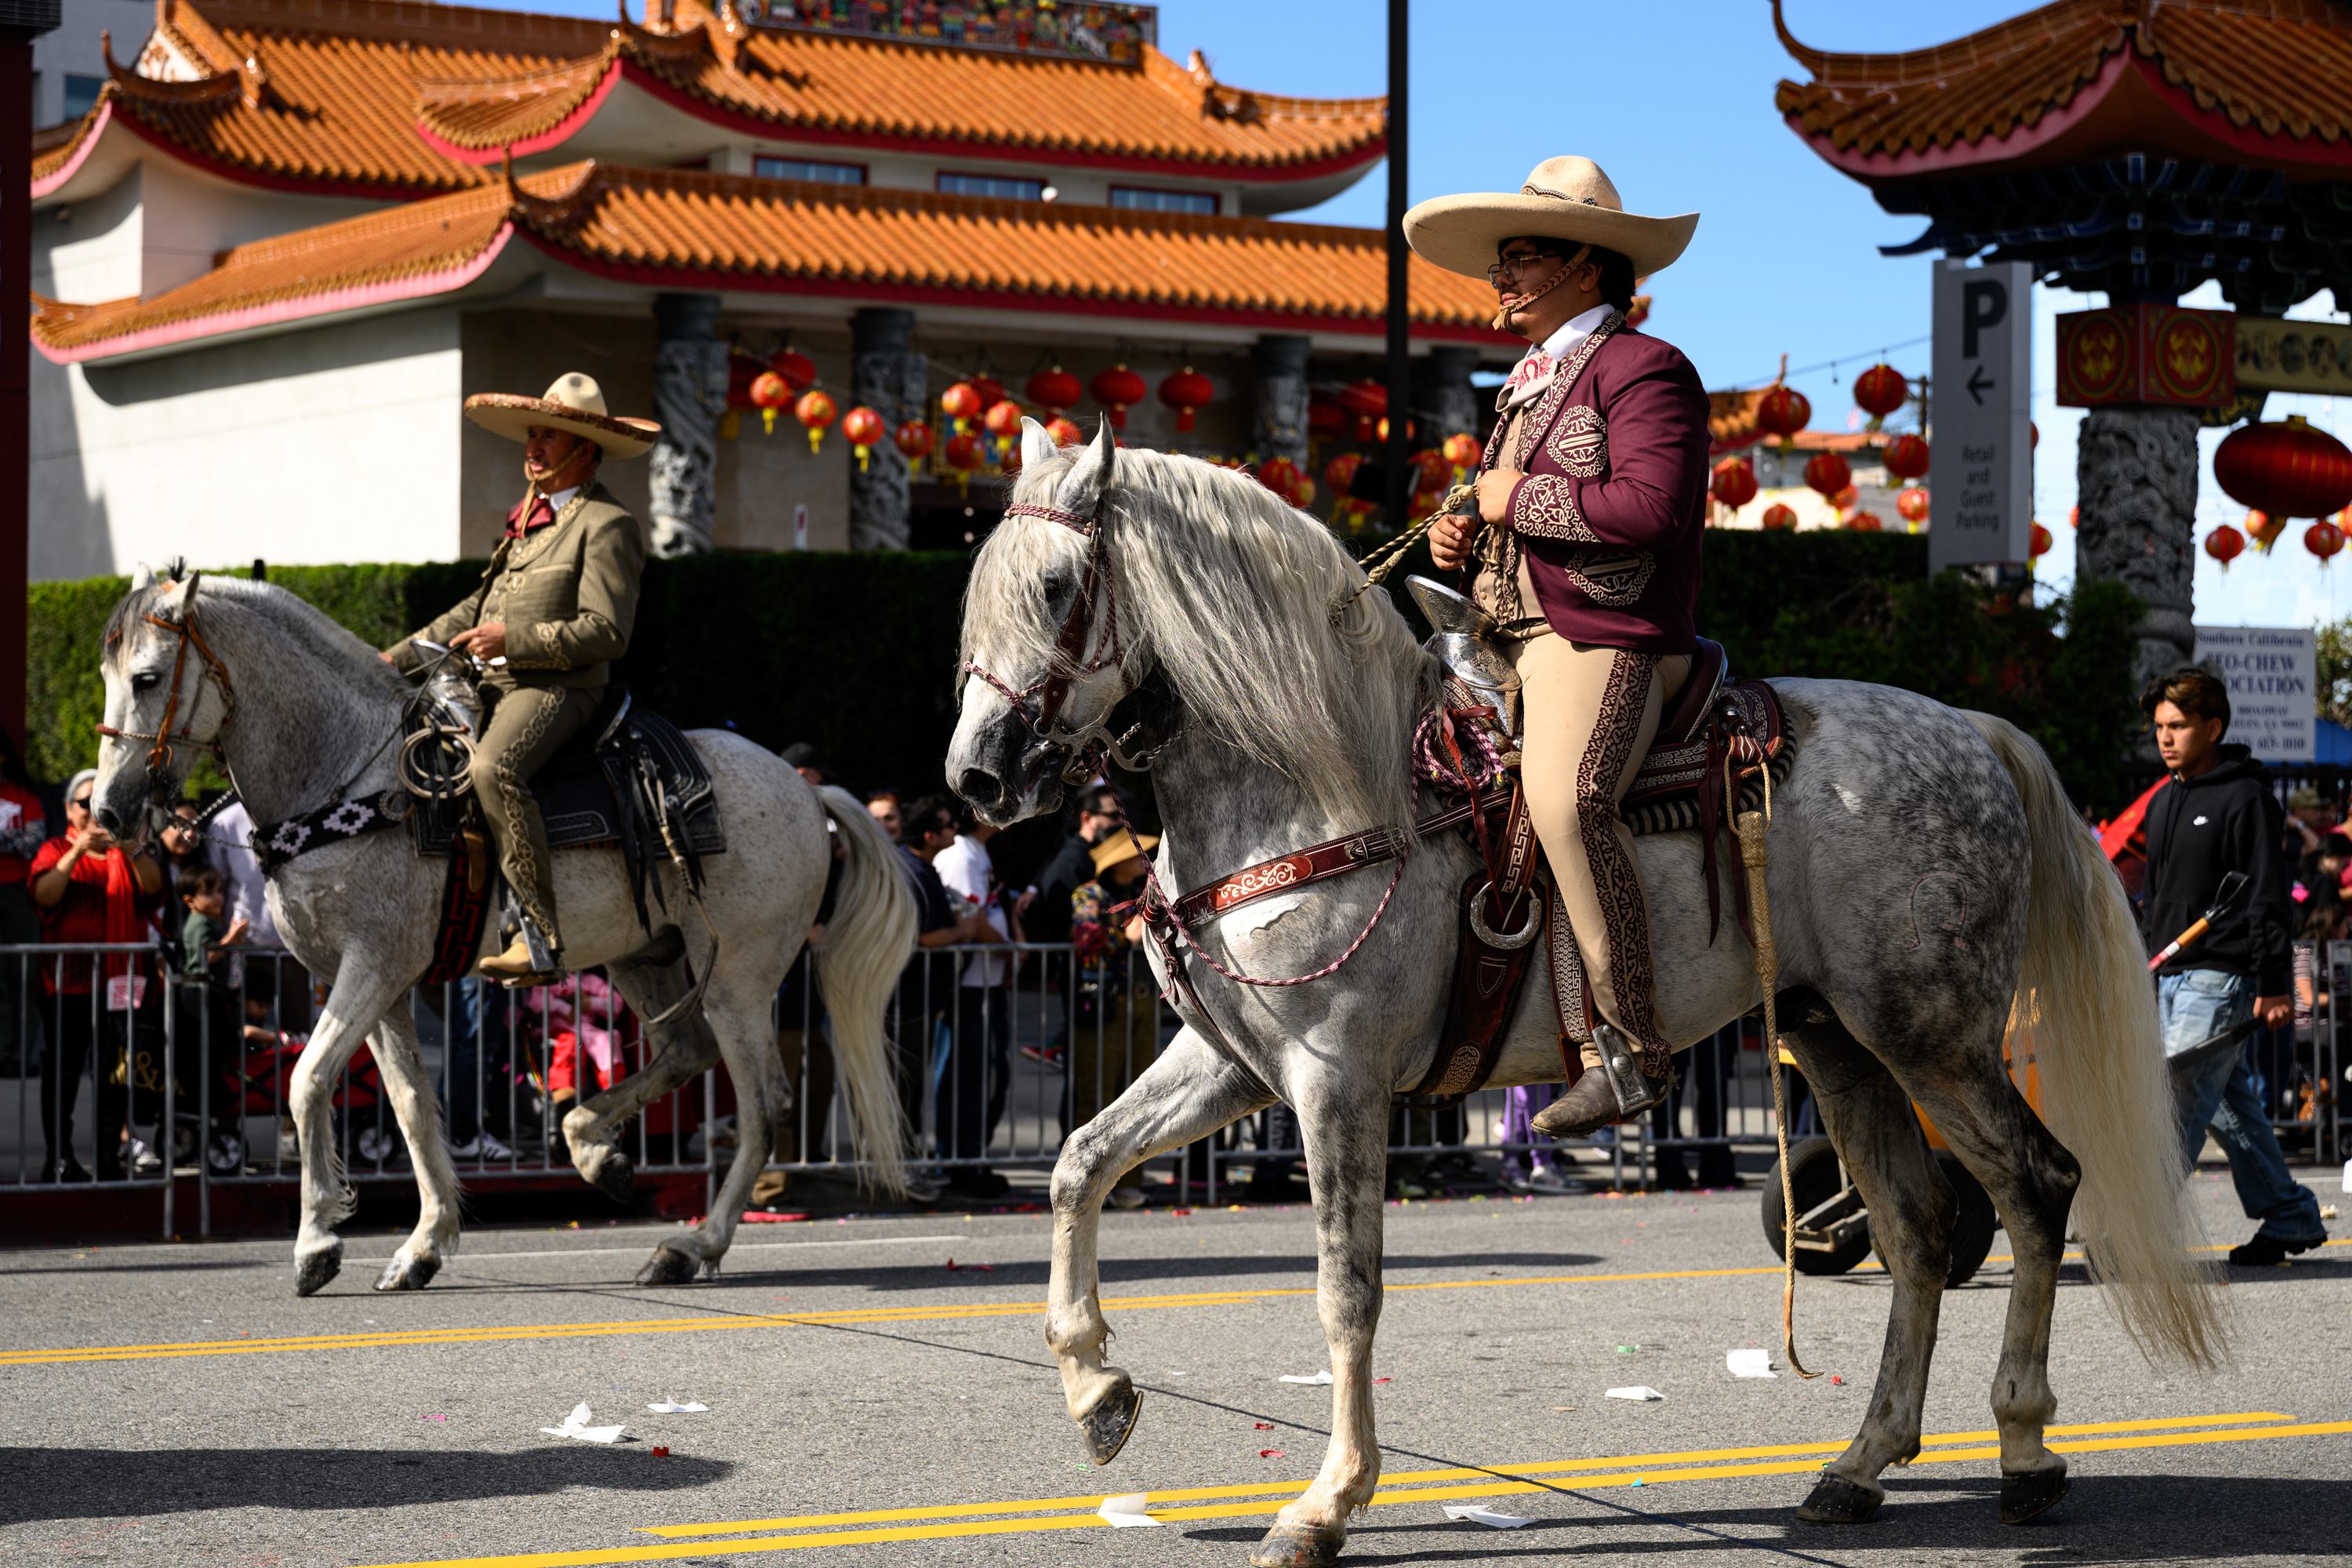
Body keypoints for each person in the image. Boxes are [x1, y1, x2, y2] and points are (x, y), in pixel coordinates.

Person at [1407, 155, 1708, 1137]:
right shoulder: (1520, 388)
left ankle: (1629, 1046)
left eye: (1524, 257)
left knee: (1570, 802)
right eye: (1505, 258)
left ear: (1589, 266)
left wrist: (1509, 498)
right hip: (1500, 640)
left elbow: (1654, 509)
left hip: (1602, 637)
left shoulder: (1647, 367)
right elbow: (1515, 520)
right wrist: (1463, 533)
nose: (1503, 276)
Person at [385, 372, 660, 984]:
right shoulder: (527, 522)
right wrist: (389, 660)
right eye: (532, 435)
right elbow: (470, 614)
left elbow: (607, 632)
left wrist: (516, 641)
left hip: (562, 689)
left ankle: (537, 935)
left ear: (584, 451)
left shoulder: (609, 525)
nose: (533, 447)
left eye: (549, 437)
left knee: (491, 768)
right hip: (493, 686)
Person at [2138, 669, 2328, 1266]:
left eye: (2178, 726)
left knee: (2177, 1098)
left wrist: (2274, 985)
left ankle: (2138, 1232)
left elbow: (2268, 897)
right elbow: (2160, 898)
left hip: (2221, 977)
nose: (2165, 738)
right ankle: (2291, 1214)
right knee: (2225, 1102)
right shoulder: (2165, 797)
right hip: (2170, 975)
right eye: (2159, 727)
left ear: (2212, 726)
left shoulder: (2247, 796)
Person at [28, 769, 163, 1182]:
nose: (93, 811)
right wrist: (77, 852)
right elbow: (43, 895)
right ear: (69, 810)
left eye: (99, 803)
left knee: (115, 1073)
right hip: (70, 984)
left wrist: (133, 849)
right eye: (84, 803)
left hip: (120, 985)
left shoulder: (126, 853)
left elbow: (156, 892)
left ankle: (108, 1156)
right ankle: (61, 1159)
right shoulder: (54, 848)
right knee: (64, 1074)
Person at [890, 795, 1000, 1198]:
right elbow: (925, 936)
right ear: (929, 835)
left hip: (922, 997)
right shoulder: (914, 871)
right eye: (947, 825)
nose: (956, 829)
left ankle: (914, 1167)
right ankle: (905, 1172)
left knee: (916, 1084)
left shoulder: (923, 867)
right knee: (907, 1086)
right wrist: (961, 932)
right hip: (908, 997)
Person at [933, 806, 1027, 1197]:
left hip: (987, 982)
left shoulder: (982, 851)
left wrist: (1010, 947)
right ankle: (959, 1161)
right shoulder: (959, 855)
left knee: (989, 1075)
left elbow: (996, 905)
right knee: (965, 1076)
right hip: (967, 986)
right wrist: (1007, 949)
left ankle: (972, 1156)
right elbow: (970, 917)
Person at [1069, 832, 1157, 1209]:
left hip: (1144, 1000)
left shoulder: (1143, 893)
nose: (1143, 860)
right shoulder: (1088, 895)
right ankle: (1088, 1180)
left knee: (1138, 1091)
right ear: (1117, 861)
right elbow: (1085, 939)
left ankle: (1127, 1181)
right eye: (1135, 855)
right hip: (1106, 1002)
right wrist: (1129, 935)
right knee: (1098, 1091)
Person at [0, 724, 48, 1080]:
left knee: (23, 973)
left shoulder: (23, 795)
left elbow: (34, 842)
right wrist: (9, 839)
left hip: (17, 891)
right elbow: (20, 839)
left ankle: (21, 1053)